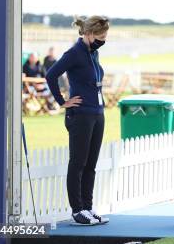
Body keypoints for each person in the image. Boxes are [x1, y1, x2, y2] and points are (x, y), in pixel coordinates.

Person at [46, 16, 111, 226]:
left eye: (105, 36)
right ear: (89, 34)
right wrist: (62, 102)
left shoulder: (94, 53)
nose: (103, 39)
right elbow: (51, 75)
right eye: (101, 36)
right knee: (78, 163)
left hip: (97, 113)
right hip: (81, 115)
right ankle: (77, 209)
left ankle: (88, 207)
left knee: (91, 164)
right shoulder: (74, 53)